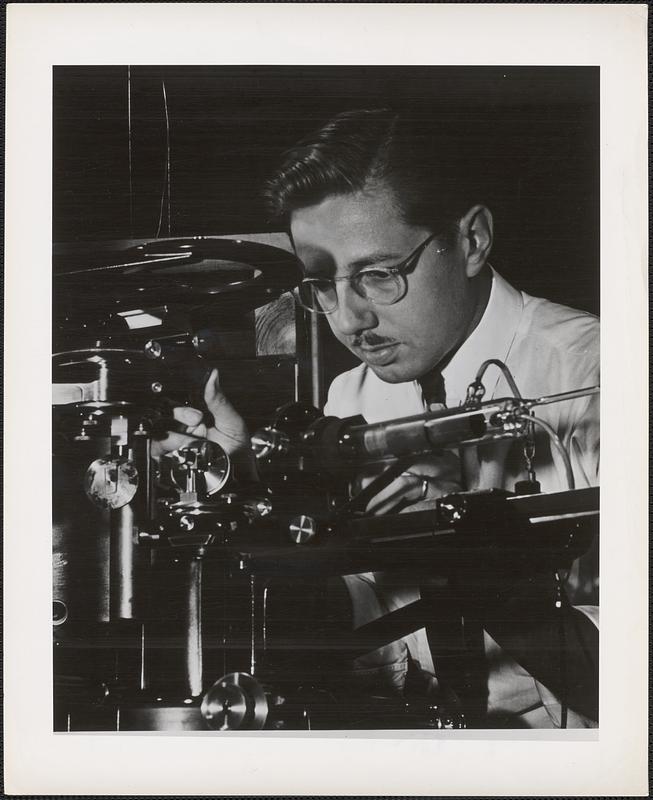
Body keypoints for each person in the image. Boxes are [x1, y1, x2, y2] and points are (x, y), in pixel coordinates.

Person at [155, 109, 599, 728]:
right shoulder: (350, 398)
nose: (347, 319)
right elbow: (373, 634)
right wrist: (236, 503)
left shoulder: (599, 376)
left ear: (470, 240)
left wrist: (485, 575)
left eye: (378, 274)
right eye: (323, 283)